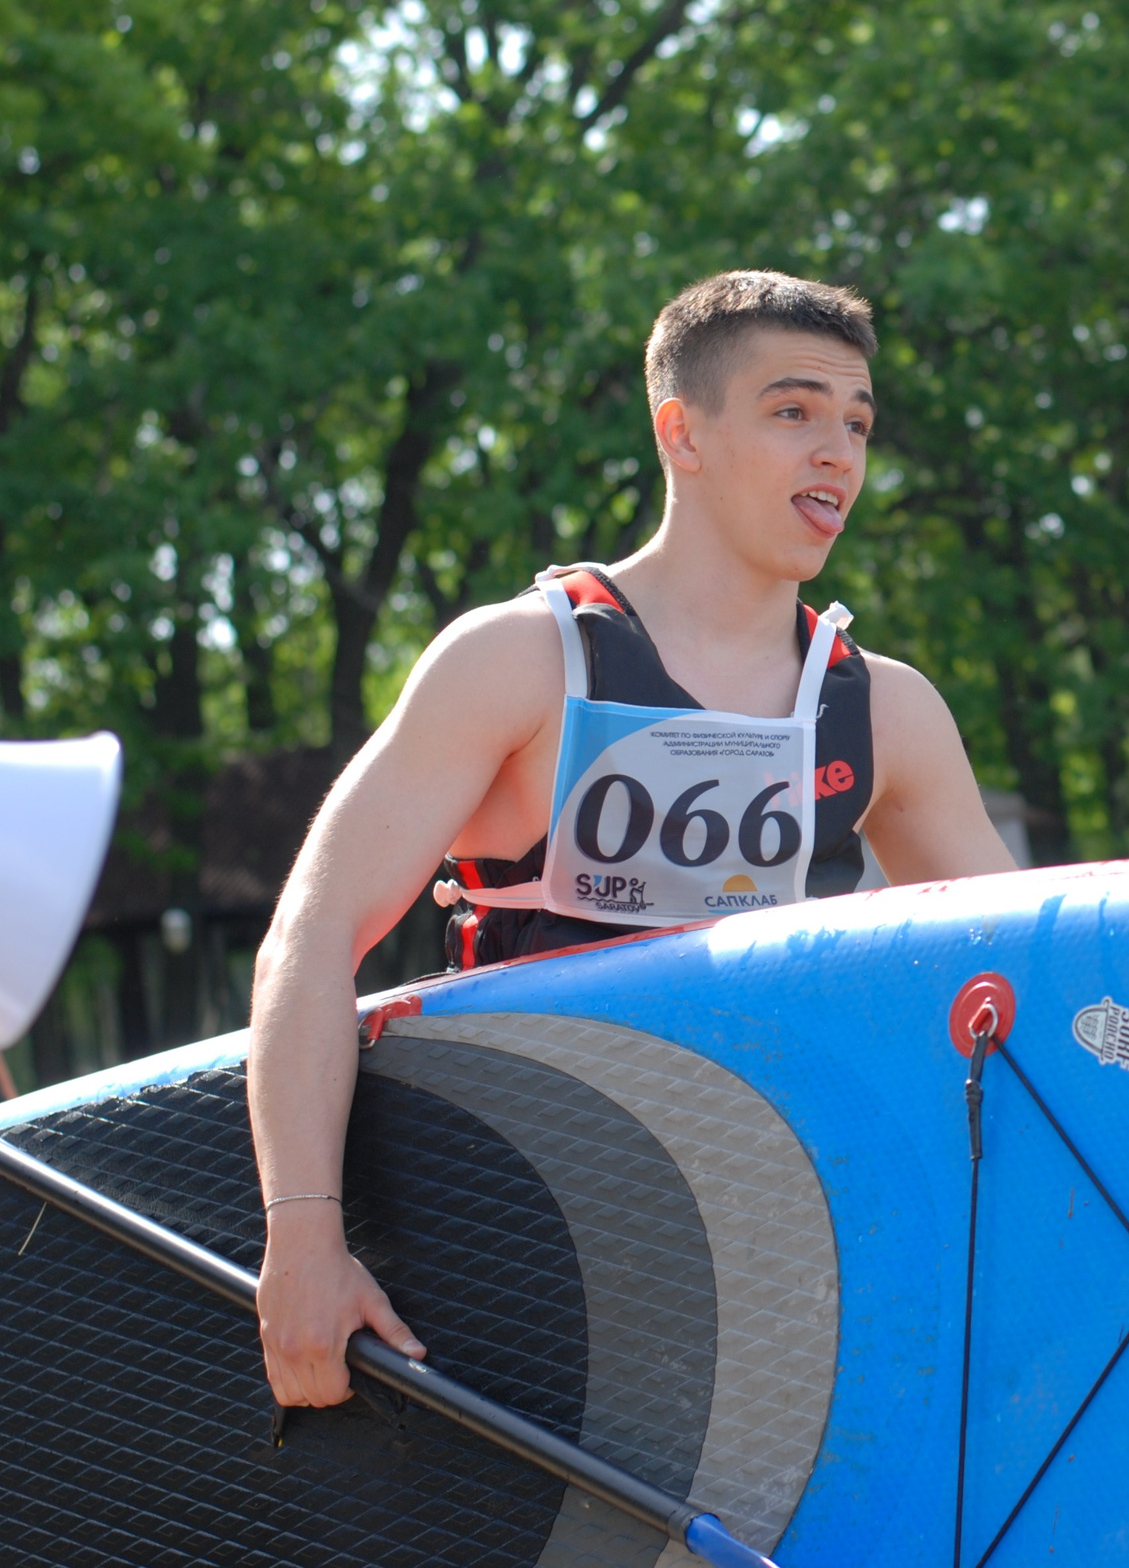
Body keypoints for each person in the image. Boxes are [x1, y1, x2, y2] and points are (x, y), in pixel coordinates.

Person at [248, 271, 1016, 1409]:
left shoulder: (886, 710)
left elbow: (1021, 989)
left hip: (788, 1264)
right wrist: (302, 1237)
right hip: (519, 1258)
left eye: (856, 424)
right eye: (794, 411)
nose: (838, 454)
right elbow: (307, 944)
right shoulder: (519, 661)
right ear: (681, 432)